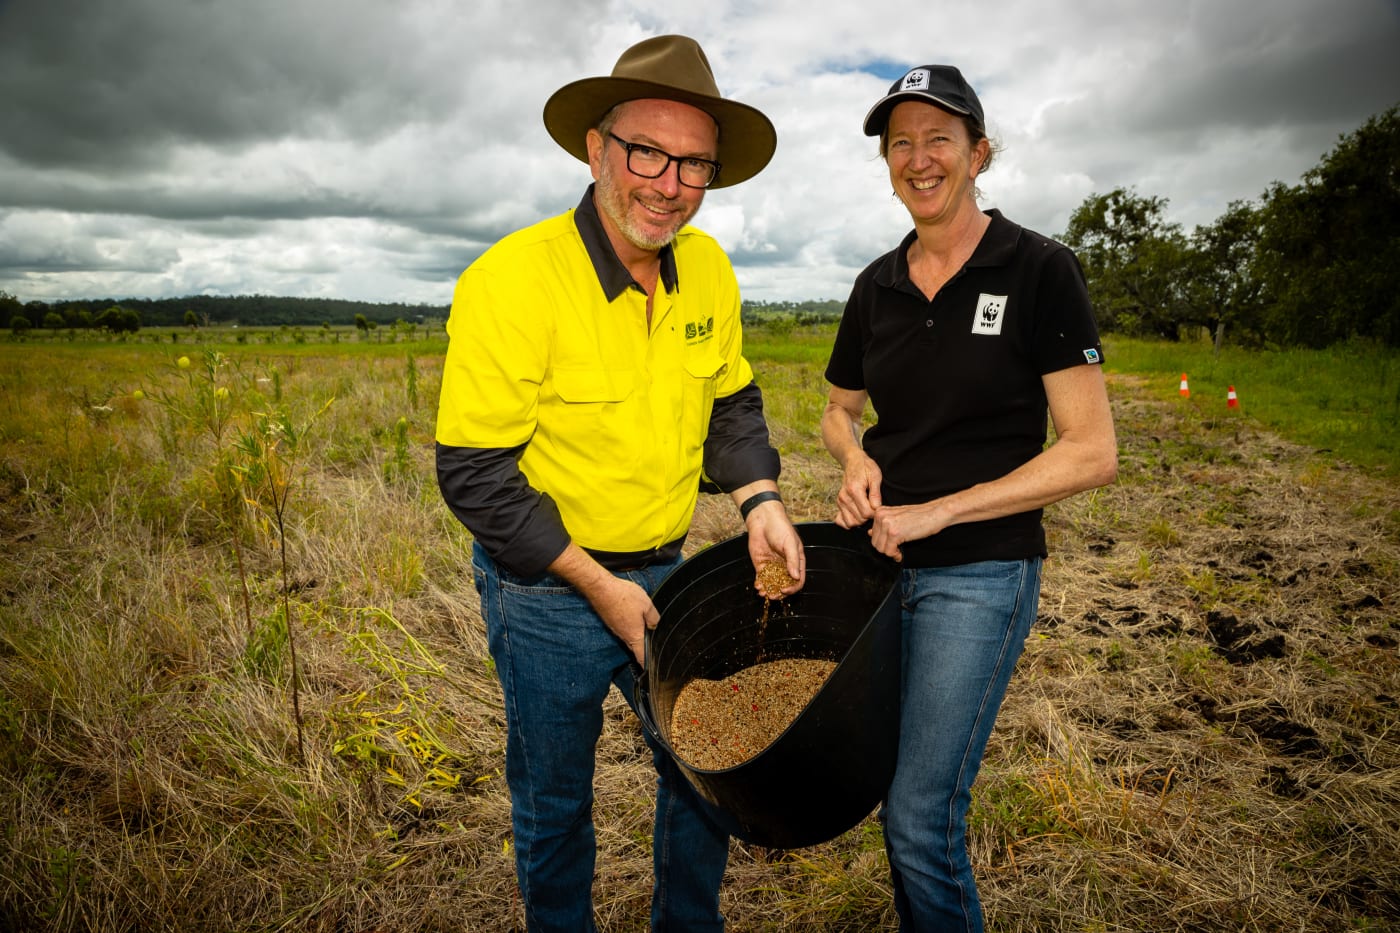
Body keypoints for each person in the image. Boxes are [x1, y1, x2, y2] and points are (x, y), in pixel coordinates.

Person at [435, 34, 807, 933]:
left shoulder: (710, 270)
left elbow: (732, 399)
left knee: (706, 770)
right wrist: (597, 584)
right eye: (647, 151)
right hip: (548, 590)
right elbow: (474, 473)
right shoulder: (514, 280)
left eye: (694, 165)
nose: (668, 183)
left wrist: (760, 502)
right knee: (555, 803)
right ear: (597, 149)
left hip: (673, 571)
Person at [821, 65, 1118, 932]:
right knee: (896, 798)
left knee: (920, 817)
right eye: (900, 143)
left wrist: (942, 509)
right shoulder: (874, 283)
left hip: (979, 573)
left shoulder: (1038, 269)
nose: (919, 158)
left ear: (979, 152)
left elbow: (1092, 452)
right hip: (879, 572)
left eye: (938, 138)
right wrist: (851, 462)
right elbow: (839, 412)